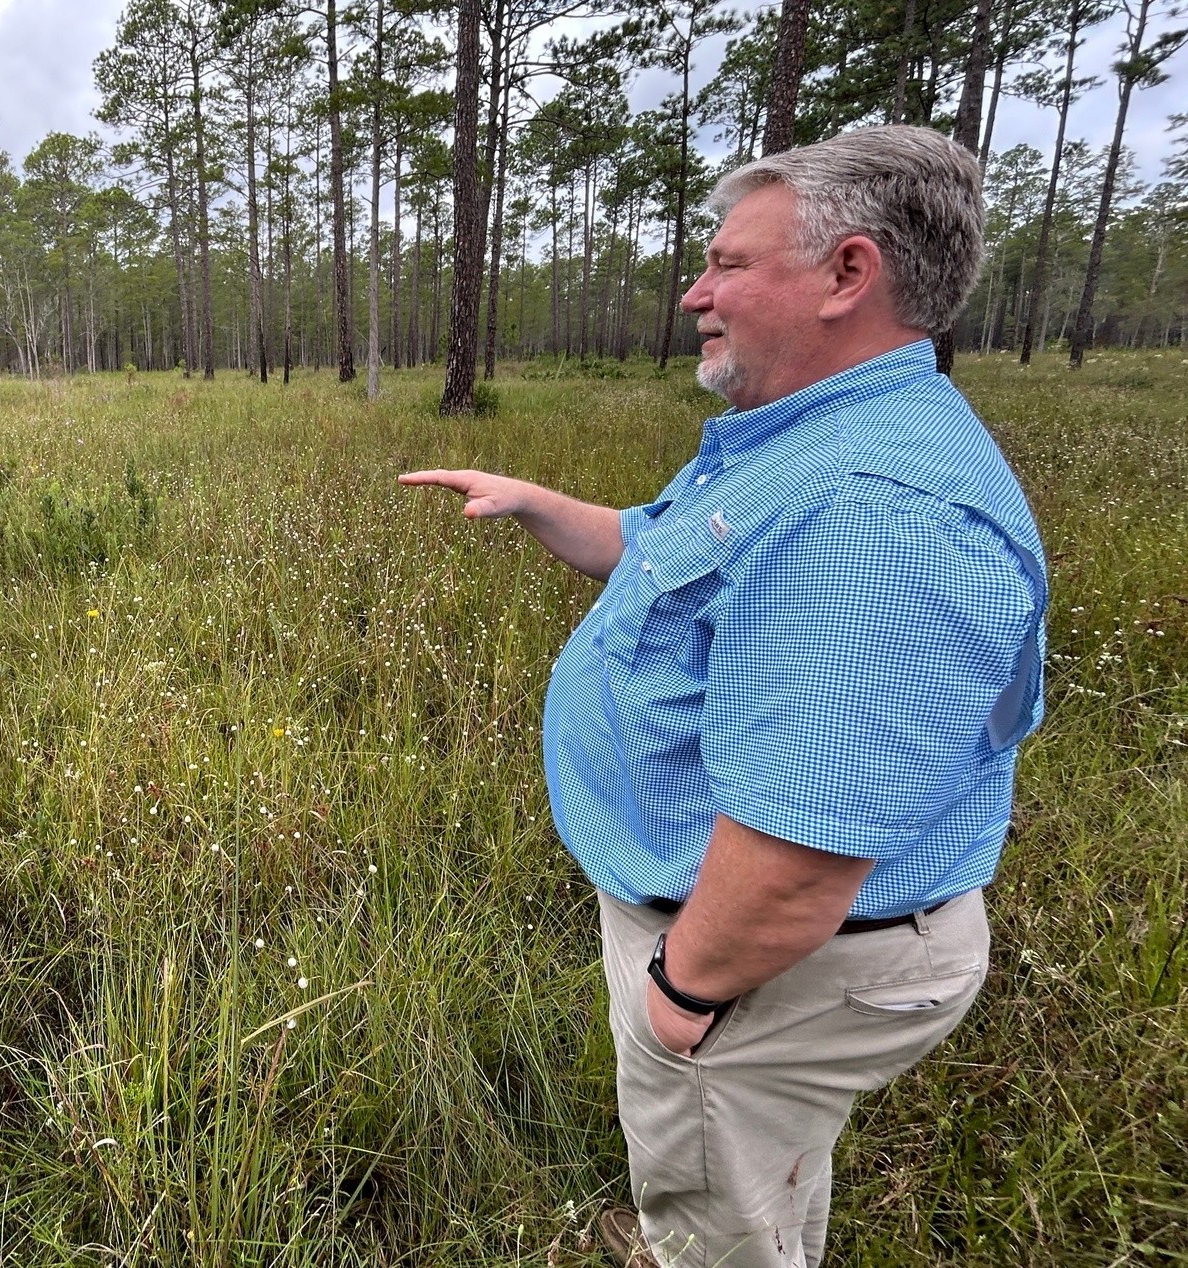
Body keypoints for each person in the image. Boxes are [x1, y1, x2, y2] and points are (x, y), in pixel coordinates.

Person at [399, 126, 1047, 1268]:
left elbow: (799, 854)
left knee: (720, 1193)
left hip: (763, 965)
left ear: (849, 273)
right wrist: (534, 498)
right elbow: (662, 551)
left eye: (728, 263)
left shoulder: (869, 512)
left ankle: (703, 1237)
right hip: (762, 960)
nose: (696, 292)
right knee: (752, 1156)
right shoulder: (808, 437)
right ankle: (721, 1213)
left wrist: (681, 999)